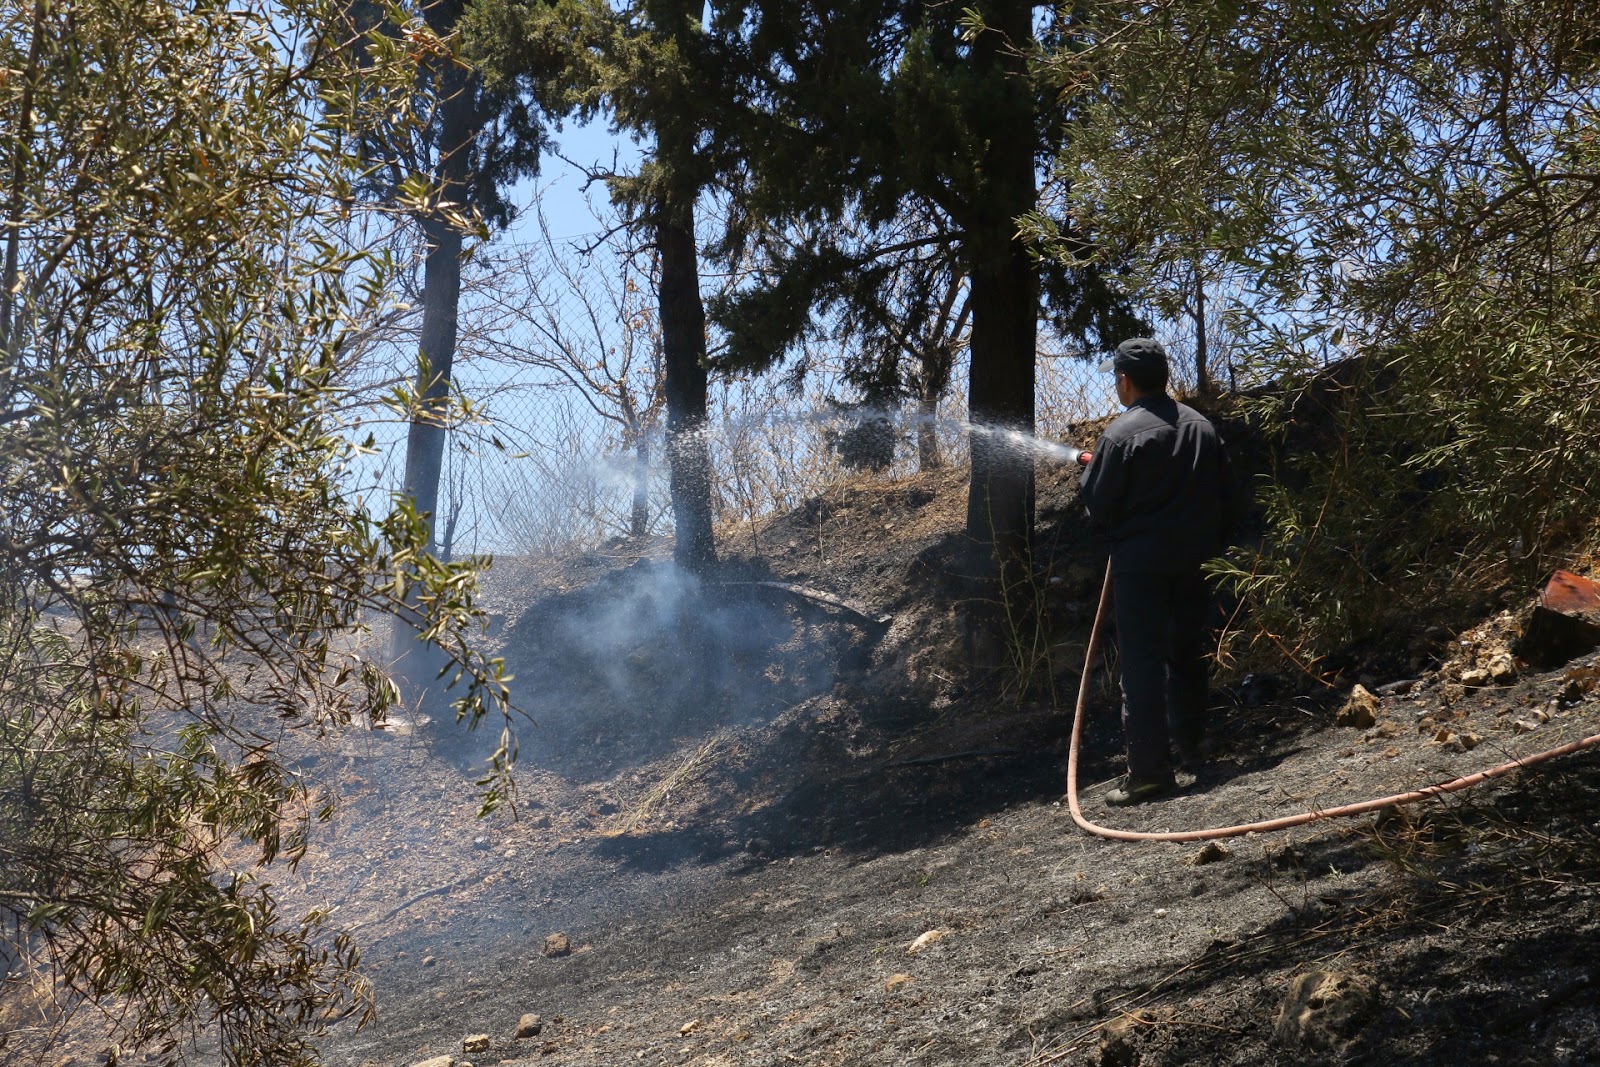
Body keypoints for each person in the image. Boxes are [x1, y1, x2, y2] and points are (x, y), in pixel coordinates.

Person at [1078, 338, 1238, 806]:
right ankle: (1193, 750)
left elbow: (1098, 504)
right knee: (1187, 653)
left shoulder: (1119, 434)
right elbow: (1227, 497)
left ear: (1124, 381)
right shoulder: (1201, 426)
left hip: (1142, 568)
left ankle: (1148, 774)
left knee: (1142, 664)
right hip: (1196, 562)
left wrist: (1091, 472)